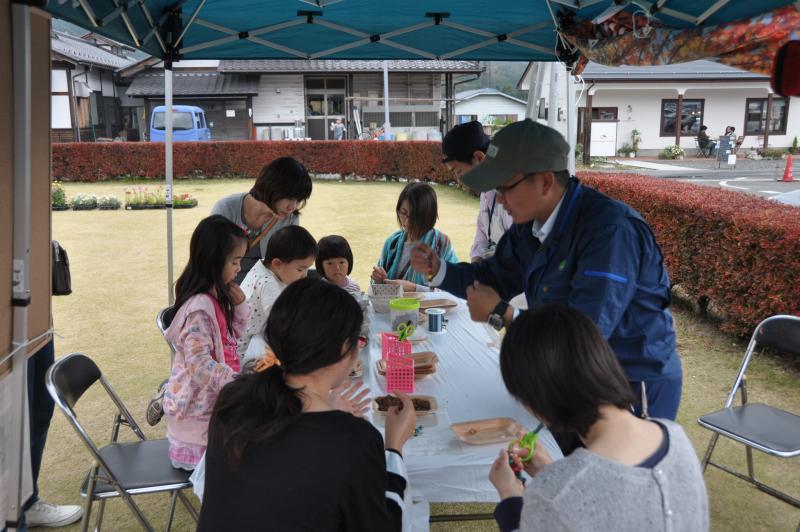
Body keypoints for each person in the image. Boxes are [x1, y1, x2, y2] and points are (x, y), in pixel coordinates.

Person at [410, 119, 682, 423]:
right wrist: (441, 269)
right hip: (570, 375)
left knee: (611, 469)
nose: (499, 199)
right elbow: (493, 277)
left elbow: (585, 334)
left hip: (628, 383)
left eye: (505, 188)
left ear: (544, 182)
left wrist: (502, 313)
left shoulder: (609, 231)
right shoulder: (529, 226)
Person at [198, 279, 416, 531]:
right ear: (346, 347)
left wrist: (325, 408)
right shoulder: (356, 441)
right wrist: (394, 447)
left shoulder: (234, 400)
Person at [489, 305, 708, 532]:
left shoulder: (552, 496)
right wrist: (549, 471)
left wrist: (510, 498)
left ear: (535, 400)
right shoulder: (676, 437)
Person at [163, 215, 250, 470]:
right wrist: (237, 383)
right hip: (199, 427)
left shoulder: (216, 295)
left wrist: (240, 305)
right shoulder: (199, 309)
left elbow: (231, 338)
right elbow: (200, 365)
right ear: (213, 260)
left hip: (214, 406)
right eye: (234, 261)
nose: (238, 268)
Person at [211, 157, 313, 283]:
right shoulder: (226, 209)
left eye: (298, 200)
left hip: (264, 295)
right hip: (224, 290)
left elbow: (289, 265)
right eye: (289, 197)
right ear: (271, 187)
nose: (292, 207)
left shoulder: (290, 219)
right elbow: (210, 260)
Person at [21, 340, 83, 528]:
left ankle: (27, 502)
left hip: (34, 325)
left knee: (40, 412)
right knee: (15, 426)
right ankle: (13, 509)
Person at [238, 225, 318, 360]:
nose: (305, 275)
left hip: (254, 340)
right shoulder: (267, 285)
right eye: (300, 269)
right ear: (277, 264)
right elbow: (283, 324)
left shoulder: (266, 266)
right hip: (246, 352)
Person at [442, 121, 513, 262]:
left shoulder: (515, 193)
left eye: (458, 171)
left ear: (479, 158)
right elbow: (481, 241)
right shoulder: (486, 193)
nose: (458, 179)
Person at [371, 182, 458, 292]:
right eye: (403, 213)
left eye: (414, 217)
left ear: (428, 216)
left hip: (428, 309)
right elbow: (378, 288)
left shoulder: (441, 244)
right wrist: (379, 280)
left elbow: (453, 290)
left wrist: (414, 288)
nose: (407, 222)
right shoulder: (392, 243)